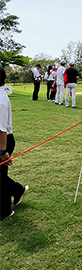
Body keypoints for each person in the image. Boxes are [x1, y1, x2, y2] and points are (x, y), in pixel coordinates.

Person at [0, 66, 29, 221]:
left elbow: (2, 130)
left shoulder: (1, 101)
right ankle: (4, 210)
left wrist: (2, 152)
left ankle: (18, 191)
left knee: (1, 178)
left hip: (3, 142)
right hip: (2, 142)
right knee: (1, 178)